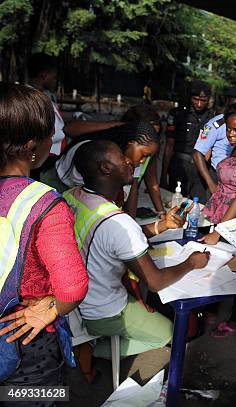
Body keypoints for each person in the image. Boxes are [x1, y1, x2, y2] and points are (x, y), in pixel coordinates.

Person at [63, 139, 209, 359]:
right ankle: (90, 351)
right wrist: (192, 262)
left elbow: (114, 236)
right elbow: (156, 281)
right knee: (172, 335)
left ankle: (85, 344)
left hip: (73, 304)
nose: (130, 162)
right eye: (122, 158)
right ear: (106, 168)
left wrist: (162, 225)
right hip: (104, 311)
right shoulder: (120, 223)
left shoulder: (72, 196)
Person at [0, 83, 89, 396]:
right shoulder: (44, 204)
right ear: (32, 145)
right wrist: (52, 306)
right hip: (25, 342)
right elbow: (72, 287)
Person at [52, 116, 164, 217]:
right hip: (57, 186)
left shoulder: (132, 160)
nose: (143, 161)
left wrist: (131, 222)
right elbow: (98, 198)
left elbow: (132, 193)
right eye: (144, 155)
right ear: (131, 143)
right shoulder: (98, 154)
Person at [26, 53, 122, 161]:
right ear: (44, 75)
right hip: (45, 158)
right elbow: (67, 129)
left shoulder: (44, 97)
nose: (55, 81)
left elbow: (59, 122)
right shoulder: (32, 99)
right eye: (54, 77)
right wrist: (111, 124)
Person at [198, 104, 236, 244]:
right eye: (228, 129)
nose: (230, 134)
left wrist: (217, 233)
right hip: (221, 213)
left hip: (233, 222)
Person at [193, 86, 236, 191]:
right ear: (234, 102)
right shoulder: (217, 124)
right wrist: (211, 184)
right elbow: (197, 153)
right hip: (219, 180)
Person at [161, 81, 214, 196]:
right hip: (179, 167)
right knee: (176, 204)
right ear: (190, 97)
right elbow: (169, 146)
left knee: (199, 207)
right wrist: (163, 175)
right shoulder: (177, 114)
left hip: (201, 170)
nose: (199, 104)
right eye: (196, 99)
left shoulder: (213, 118)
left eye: (203, 101)